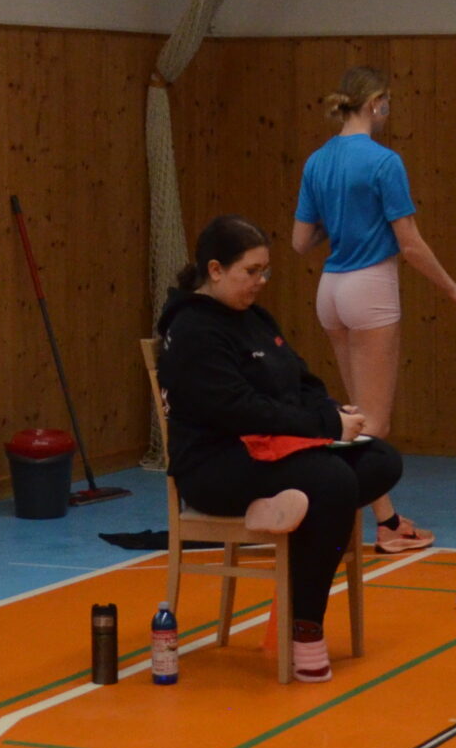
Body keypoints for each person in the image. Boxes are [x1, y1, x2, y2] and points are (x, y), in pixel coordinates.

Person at [157, 215, 404, 683]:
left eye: (265, 271)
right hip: (216, 466)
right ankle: (304, 626)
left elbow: (300, 381)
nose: (261, 281)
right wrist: (324, 426)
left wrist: (335, 414)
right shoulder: (193, 330)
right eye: (250, 271)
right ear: (215, 270)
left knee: (380, 460)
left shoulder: (256, 319)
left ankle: (285, 514)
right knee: (333, 483)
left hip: (274, 451)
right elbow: (241, 410)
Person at [291, 67, 456, 556]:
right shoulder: (384, 162)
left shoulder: (317, 161)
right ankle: (335, 518)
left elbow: (301, 241)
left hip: (330, 290)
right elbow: (409, 243)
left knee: (356, 416)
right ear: (374, 103)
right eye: (386, 102)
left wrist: (339, 220)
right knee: (374, 425)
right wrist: (452, 288)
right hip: (370, 288)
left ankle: (387, 520)